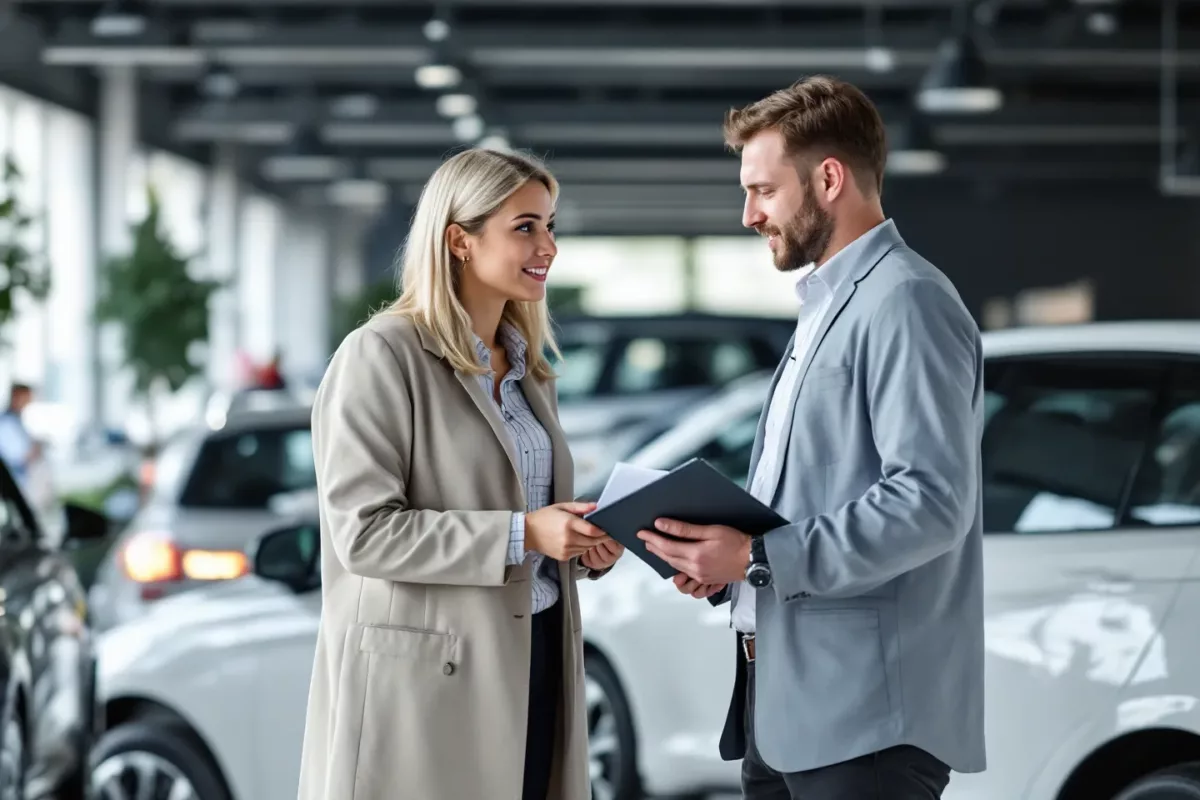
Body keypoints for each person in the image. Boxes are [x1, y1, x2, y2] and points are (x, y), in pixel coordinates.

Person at [637, 76, 986, 799]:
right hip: (787, 704)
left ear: (829, 179)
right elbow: (818, 486)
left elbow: (930, 502)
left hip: (865, 718)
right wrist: (729, 559)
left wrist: (760, 554)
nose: (748, 214)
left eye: (764, 190)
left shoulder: (906, 301)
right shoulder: (829, 306)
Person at [298, 147, 624, 800]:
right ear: (459, 241)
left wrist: (584, 546)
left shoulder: (530, 368)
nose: (548, 246)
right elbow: (364, 535)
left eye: (551, 225)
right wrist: (526, 535)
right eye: (525, 226)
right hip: (429, 689)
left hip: (536, 660)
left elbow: (526, 514)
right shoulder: (381, 356)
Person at [0, 383, 38, 491]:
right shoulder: (6, 423)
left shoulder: (16, 420)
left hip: (19, 481)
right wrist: (32, 453)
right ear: (16, 397)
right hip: (12, 481)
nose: (29, 402)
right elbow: (15, 458)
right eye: (26, 398)